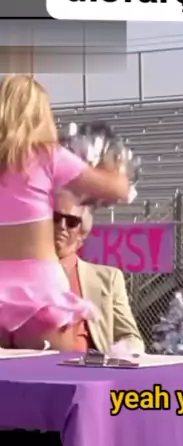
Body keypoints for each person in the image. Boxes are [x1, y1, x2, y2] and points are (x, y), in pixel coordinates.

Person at [0, 74, 130, 351]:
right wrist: (113, 163)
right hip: (39, 287)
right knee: (52, 375)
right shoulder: (47, 155)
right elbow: (117, 190)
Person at [54, 190, 144, 354]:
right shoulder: (16, 276)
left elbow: (130, 337)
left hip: (89, 366)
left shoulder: (109, 279)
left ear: (82, 234)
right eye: (55, 218)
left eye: (72, 222)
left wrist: (120, 353)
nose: (62, 226)